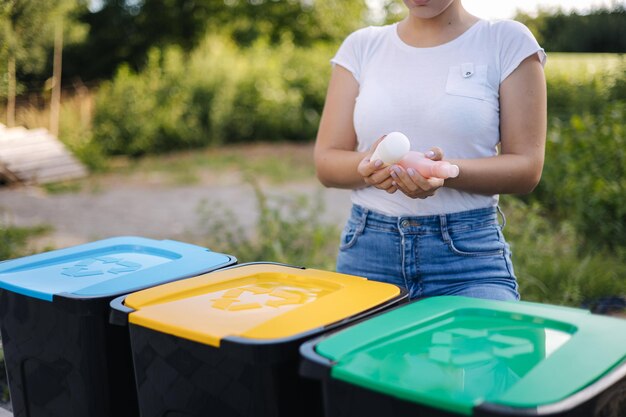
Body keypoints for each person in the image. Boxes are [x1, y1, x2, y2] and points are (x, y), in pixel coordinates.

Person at [314, 0, 547, 301]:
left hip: (468, 258)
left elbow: (527, 169)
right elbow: (326, 162)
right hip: (368, 254)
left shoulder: (506, 41)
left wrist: (445, 173)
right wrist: (371, 165)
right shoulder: (361, 46)